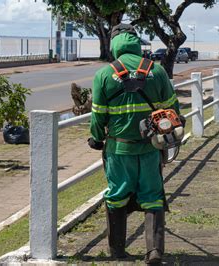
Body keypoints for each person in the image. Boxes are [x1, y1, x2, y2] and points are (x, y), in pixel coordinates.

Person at [88, 23, 180, 264]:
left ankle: (117, 251)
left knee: (117, 196)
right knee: (152, 195)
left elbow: (98, 115)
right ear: (137, 43)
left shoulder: (104, 74)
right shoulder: (157, 71)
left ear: (114, 45)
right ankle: (154, 251)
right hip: (151, 148)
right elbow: (173, 109)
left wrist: (96, 138)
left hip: (119, 150)